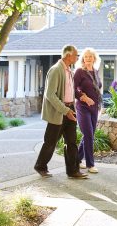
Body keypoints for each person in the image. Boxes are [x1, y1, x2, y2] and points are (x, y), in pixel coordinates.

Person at [34, 45, 88, 179]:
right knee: (51, 141)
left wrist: (80, 97)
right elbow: (50, 95)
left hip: (70, 109)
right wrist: (65, 110)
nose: (77, 57)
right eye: (76, 55)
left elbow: (70, 90)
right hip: (59, 111)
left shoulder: (69, 70)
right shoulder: (56, 70)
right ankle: (40, 166)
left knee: (71, 141)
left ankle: (73, 171)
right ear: (68, 55)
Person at [74, 47, 103, 174]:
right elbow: (73, 89)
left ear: (94, 58)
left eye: (90, 56)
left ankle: (76, 159)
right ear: (83, 59)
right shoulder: (80, 72)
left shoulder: (95, 71)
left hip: (94, 107)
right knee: (89, 134)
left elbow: (97, 89)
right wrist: (84, 97)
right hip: (83, 107)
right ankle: (90, 164)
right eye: (86, 57)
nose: (88, 59)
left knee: (89, 134)